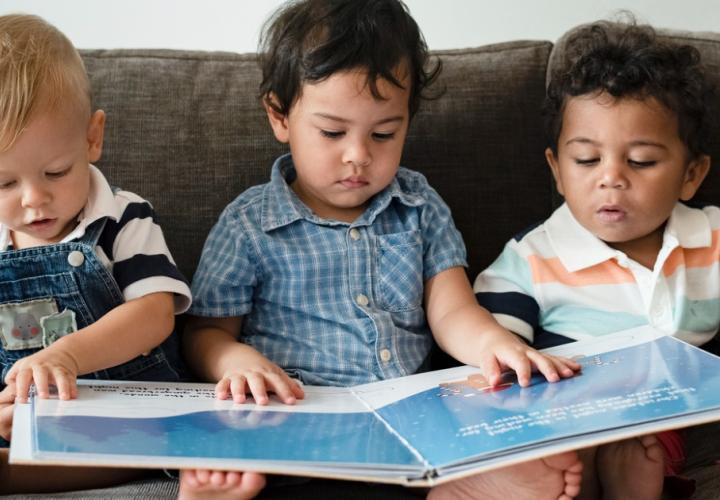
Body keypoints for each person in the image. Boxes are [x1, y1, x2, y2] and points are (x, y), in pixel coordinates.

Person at [179, 1, 582, 498]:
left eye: (384, 133)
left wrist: (494, 346)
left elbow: (452, 309)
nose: (359, 155)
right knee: (276, 462)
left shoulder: (418, 205)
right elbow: (204, 332)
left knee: (473, 416)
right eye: (332, 132)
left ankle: (466, 479)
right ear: (279, 115)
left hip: (412, 417)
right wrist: (234, 361)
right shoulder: (249, 223)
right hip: (301, 418)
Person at [474, 19, 715, 500]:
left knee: (644, 443)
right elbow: (494, 353)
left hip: (659, 418)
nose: (611, 179)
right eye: (586, 161)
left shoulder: (708, 238)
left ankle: (627, 479)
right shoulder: (532, 257)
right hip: (565, 409)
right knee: (557, 449)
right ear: (557, 171)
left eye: (641, 161)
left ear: (691, 175)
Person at [0, 14, 193, 494]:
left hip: (130, 407)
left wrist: (65, 356)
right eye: (4, 183)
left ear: (92, 137)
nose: (33, 200)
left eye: (57, 171)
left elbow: (155, 314)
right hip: (27, 414)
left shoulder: (124, 219)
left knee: (169, 433)